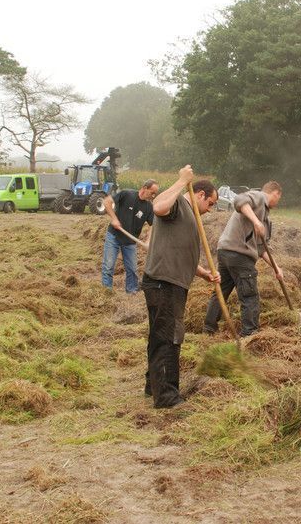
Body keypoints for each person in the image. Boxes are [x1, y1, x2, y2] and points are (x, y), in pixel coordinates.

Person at [142, 166, 220, 408]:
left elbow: (179, 251)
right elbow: (158, 207)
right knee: (169, 338)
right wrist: (181, 180)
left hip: (172, 282)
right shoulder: (178, 205)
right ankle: (166, 397)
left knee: (160, 335)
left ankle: (152, 385)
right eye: (211, 203)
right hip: (164, 282)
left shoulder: (191, 215)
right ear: (200, 195)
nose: (211, 209)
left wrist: (203, 273)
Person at [203, 181, 283, 337]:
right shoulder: (259, 197)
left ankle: (209, 328)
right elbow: (239, 200)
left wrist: (276, 268)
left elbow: (260, 249)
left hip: (226, 252)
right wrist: (255, 221)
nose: (278, 202)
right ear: (275, 193)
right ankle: (250, 334)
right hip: (240, 255)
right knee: (249, 295)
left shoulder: (265, 217)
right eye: (279, 198)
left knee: (221, 291)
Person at [101, 180, 159, 293]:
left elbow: (153, 225)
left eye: (155, 194)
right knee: (108, 266)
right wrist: (114, 218)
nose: (153, 196)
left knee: (132, 269)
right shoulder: (127, 194)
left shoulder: (148, 207)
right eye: (152, 192)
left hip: (130, 241)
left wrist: (148, 241)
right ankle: (106, 291)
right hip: (114, 236)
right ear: (144, 188)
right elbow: (106, 202)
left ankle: (131, 290)